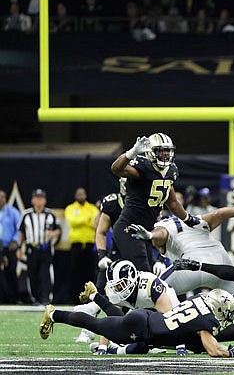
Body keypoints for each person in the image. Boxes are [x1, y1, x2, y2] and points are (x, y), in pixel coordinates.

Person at [127, 204, 234, 352]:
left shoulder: (160, 225)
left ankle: (130, 332)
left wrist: (151, 236)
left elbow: (162, 233)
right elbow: (219, 213)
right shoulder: (194, 219)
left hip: (191, 267)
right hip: (221, 265)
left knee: (152, 289)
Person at [39, 290, 234, 359]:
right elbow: (213, 350)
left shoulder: (198, 299)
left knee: (120, 331)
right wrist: (228, 352)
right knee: (97, 325)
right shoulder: (208, 321)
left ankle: (94, 296)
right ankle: (55, 314)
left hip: (147, 323)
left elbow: (198, 341)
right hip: (143, 327)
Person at [110, 133, 202, 273]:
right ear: (151, 152)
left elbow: (173, 202)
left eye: (167, 151)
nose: (165, 155)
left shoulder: (171, 171)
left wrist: (189, 219)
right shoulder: (143, 167)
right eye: (160, 151)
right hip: (129, 228)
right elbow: (116, 169)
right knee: (144, 276)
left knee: (147, 277)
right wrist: (131, 153)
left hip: (146, 231)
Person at [79, 259, 183, 355]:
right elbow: (111, 321)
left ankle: (119, 349)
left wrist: (180, 346)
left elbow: (170, 318)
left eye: (120, 284)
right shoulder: (119, 292)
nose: (117, 289)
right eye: (115, 286)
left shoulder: (149, 285)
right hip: (148, 317)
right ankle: (116, 349)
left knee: (192, 343)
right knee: (140, 341)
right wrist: (103, 347)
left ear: (131, 277)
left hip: (175, 317)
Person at [73, 178, 126, 344]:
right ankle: (87, 329)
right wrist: (102, 256)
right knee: (99, 292)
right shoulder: (112, 202)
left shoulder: (147, 201)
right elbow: (100, 231)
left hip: (140, 255)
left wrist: (161, 257)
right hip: (116, 255)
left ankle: (145, 337)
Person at [18, 189, 61, 305]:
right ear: (32, 200)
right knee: (32, 274)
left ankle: (46, 298)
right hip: (31, 248)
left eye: (41, 198)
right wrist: (19, 248)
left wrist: (52, 234)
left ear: (45, 200)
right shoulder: (26, 214)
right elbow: (22, 232)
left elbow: (58, 230)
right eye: (37, 198)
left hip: (45, 248)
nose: (39, 200)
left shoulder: (50, 214)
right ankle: (35, 299)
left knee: (45, 274)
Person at [64, 187, 99, 304]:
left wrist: (82, 220)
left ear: (86, 195)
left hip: (89, 245)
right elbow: (72, 221)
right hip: (76, 245)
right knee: (75, 272)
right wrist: (87, 220)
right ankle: (74, 299)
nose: (81, 196)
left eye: (82, 193)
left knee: (90, 272)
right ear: (75, 195)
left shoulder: (92, 208)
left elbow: (95, 223)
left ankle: (90, 299)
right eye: (78, 194)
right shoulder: (70, 208)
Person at [0, 190, 21, 304]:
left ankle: (14, 298)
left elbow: (20, 229)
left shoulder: (12, 212)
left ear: (6, 198)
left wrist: (15, 240)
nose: (0, 199)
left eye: (2, 197)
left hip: (9, 247)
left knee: (11, 273)